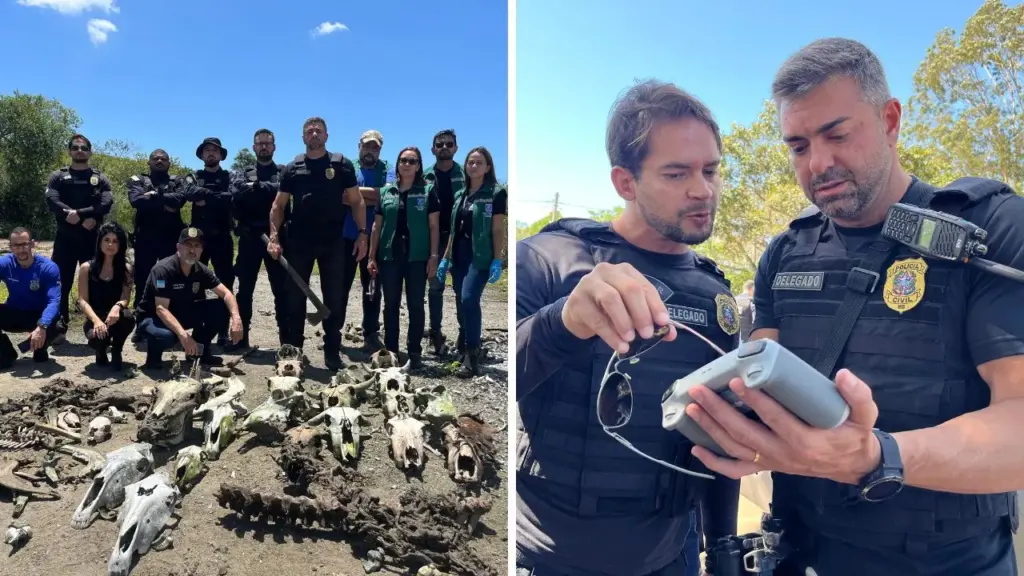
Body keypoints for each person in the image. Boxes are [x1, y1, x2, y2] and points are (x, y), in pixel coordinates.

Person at [686, 38, 1024, 576]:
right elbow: (760, 381)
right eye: (798, 146)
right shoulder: (785, 252)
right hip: (801, 554)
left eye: (837, 134)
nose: (819, 163)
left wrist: (877, 457)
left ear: (890, 120)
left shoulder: (988, 230)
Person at [515, 80, 740, 576]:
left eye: (710, 170)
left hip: (667, 559)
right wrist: (566, 321)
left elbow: (717, 438)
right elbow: (504, 375)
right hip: (542, 556)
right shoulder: (549, 259)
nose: (702, 190)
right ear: (625, 182)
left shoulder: (715, 296)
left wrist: (721, 548)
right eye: (677, 173)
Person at [267, 117, 368, 371]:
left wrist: (363, 234)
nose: (314, 134)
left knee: (334, 297)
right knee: (295, 298)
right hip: (299, 240)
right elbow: (278, 206)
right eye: (309, 131)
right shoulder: (292, 168)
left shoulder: (341, 165)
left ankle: (332, 350)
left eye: (318, 131)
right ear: (303, 137)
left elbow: (357, 201)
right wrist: (274, 236)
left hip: (333, 241)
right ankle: (294, 351)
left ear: (326, 136)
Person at [367, 146, 440, 370]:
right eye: (403, 160)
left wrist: (434, 256)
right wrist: (371, 256)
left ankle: (414, 351)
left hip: (417, 257)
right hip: (390, 257)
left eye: (412, 161)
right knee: (390, 304)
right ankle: (391, 351)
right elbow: (376, 227)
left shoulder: (428, 191)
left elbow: (434, 226)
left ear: (418, 166)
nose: (406, 164)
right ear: (397, 164)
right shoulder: (387, 193)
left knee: (416, 305)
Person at [436, 147, 505, 378]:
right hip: (459, 254)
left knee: (469, 298)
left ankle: (472, 356)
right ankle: (465, 343)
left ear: (487, 167)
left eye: (479, 162)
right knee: (460, 300)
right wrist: (445, 259)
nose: (474, 166)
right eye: (470, 162)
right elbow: (454, 231)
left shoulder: (495, 193)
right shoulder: (460, 195)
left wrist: (497, 258)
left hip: (480, 256)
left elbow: (497, 228)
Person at [135, 227, 242, 369]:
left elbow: (226, 293)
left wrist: (236, 319)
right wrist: (184, 336)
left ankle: (198, 352)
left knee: (221, 308)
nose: (192, 250)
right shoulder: (164, 270)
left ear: (202, 250)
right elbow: (161, 309)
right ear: (178, 247)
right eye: (188, 245)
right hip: (153, 318)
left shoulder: (200, 269)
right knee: (166, 336)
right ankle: (153, 358)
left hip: (181, 312)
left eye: (197, 246)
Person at [44, 134, 113, 329]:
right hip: (65, 238)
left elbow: (106, 202)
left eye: (84, 148)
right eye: (75, 148)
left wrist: (83, 214)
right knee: (60, 282)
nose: (79, 151)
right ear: (69, 151)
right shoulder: (58, 176)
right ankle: (59, 324)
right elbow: (51, 200)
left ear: (90, 152)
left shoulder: (99, 178)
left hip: (91, 239)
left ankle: (95, 325)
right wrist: (68, 214)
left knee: (94, 282)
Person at [230, 128, 289, 349]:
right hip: (249, 238)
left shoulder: (283, 172)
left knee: (281, 290)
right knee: (245, 289)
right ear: (254, 147)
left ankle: (286, 340)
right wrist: (266, 191)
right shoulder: (241, 172)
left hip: (276, 238)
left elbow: (285, 194)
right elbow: (236, 193)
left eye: (268, 143)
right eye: (259, 143)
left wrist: (257, 188)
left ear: (274, 147)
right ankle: (240, 339)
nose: (264, 146)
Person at [340, 130, 390, 352]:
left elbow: (388, 195)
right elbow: (340, 195)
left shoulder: (387, 169)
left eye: (375, 147)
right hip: (347, 237)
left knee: (372, 288)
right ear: (359, 146)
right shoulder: (347, 167)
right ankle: (334, 332)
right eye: (367, 146)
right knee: (339, 287)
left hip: (375, 240)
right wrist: (372, 196)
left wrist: (355, 195)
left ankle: (371, 333)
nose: (371, 151)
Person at [184, 137, 235, 346]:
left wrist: (206, 198)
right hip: (198, 240)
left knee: (224, 283)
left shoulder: (230, 176)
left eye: (215, 150)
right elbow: (189, 193)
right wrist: (217, 197)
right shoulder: (193, 176)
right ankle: (198, 328)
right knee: (195, 283)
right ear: (202, 155)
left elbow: (232, 196)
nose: (211, 153)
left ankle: (223, 329)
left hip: (222, 237)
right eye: (207, 150)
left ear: (221, 155)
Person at [127, 149, 187, 309]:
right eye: (155, 158)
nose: (159, 161)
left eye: (163, 159)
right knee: (143, 278)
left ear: (169, 163)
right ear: (149, 162)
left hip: (171, 239)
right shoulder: (138, 180)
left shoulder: (177, 180)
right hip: (145, 239)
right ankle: (141, 315)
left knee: (171, 277)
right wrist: (166, 204)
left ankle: (170, 314)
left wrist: (153, 196)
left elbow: (180, 199)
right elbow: (136, 200)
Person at [423, 129, 465, 355]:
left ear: (456, 148)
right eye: (440, 145)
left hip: (460, 239)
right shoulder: (425, 176)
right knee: (435, 288)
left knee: (461, 288)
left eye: (449, 144)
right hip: (435, 239)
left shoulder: (467, 174)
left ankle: (464, 334)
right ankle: (435, 333)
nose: (444, 148)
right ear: (433, 150)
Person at [76, 221, 136, 370]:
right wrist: (96, 321)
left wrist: (117, 307)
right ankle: (100, 351)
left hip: (116, 317)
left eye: (115, 241)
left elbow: (125, 298)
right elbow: (82, 300)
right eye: (107, 240)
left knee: (128, 318)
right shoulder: (86, 268)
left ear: (120, 244)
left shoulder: (126, 269)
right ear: (100, 242)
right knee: (97, 337)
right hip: (94, 317)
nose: (110, 245)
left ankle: (117, 349)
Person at [0, 227, 63, 367]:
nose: (21, 249)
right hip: (16, 312)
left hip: (40, 316)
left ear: (32, 244)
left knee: (56, 327)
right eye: (16, 245)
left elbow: (54, 301)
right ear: (10, 247)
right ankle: (6, 353)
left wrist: (42, 326)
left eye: (24, 244)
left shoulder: (48, 267)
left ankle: (40, 346)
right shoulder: (5, 263)